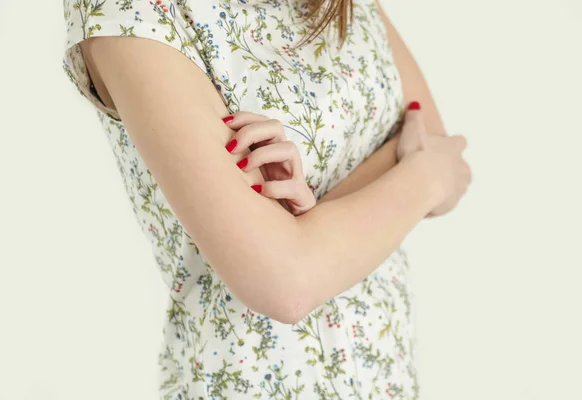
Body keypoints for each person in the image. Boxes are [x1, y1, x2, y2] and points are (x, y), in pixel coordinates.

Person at [62, 0, 471, 398]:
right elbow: (285, 284)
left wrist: (310, 226)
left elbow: (441, 147)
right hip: (254, 379)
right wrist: (423, 175)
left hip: (383, 372)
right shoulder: (132, 9)